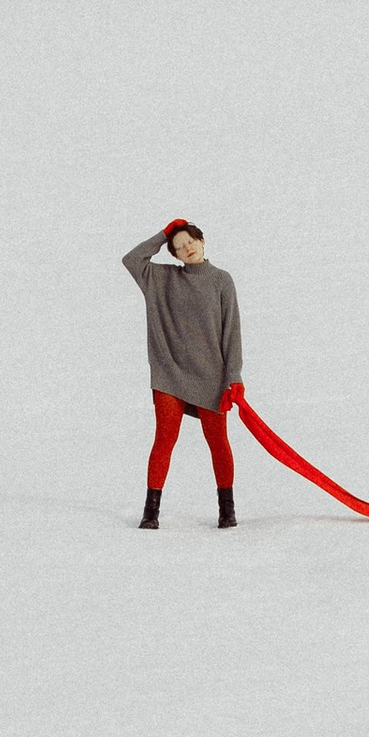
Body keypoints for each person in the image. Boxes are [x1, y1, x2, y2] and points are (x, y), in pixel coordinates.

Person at [122, 220, 243, 529]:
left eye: (190, 241)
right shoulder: (161, 279)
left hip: (211, 377)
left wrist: (235, 378)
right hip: (169, 374)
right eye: (178, 247)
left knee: (218, 443)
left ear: (202, 240)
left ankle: (227, 510)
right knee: (164, 439)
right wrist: (163, 235)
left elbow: (231, 334)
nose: (186, 248)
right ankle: (151, 512)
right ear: (173, 255)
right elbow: (132, 260)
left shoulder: (221, 281)